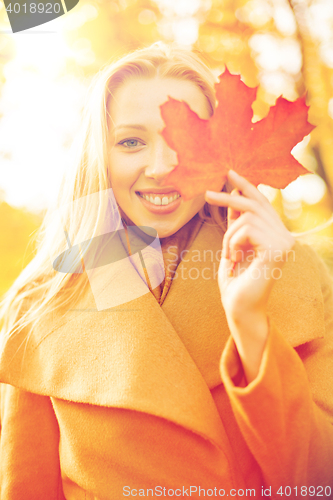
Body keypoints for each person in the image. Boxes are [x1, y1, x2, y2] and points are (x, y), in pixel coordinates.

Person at [0, 42, 333, 500]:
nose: (159, 168)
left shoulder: (296, 274)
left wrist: (251, 326)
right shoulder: (42, 302)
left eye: (182, 141)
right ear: (100, 155)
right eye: (131, 141)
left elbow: (319, 479)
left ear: (220, 154)